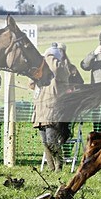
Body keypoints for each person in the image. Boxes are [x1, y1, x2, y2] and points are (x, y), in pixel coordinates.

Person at [32, 43, 73, 171]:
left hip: (52, 109)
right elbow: (31, 83)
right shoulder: (44, 68)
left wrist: (48, 56)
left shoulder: (59, 67)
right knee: (45, 142)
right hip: (41, 109)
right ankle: (51, 168)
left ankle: (58, 166)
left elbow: (57, 70)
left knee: (51, 141)